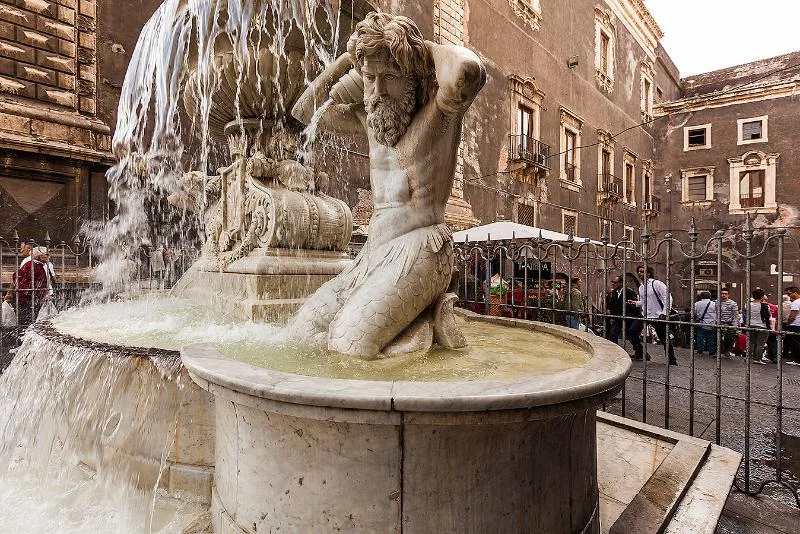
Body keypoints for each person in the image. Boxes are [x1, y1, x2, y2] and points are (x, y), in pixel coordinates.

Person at [288, 12, 485, 357]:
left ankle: (417, 326)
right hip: (373, 253)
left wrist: (417, 49)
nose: (377, 89)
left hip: (423, 248)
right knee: (301, 332)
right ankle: (417, 326)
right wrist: (346, 61)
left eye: (389, 77)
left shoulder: (440, 110)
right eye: (369, 77)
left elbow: (468, 71)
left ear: (410, 76)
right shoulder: (370, 117)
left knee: (350, 343)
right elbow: (304, 111)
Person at [629, 266, 677, 365]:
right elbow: (643, 302)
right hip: (645, 315)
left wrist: (664, 313)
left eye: (642, 271)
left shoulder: (657, 284)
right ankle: (642, 353)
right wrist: (635, 303)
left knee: (664, 338)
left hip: (658, 315)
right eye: (638, 272)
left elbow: (667, 298)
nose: (639, 273)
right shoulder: (641, 287)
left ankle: (672, 360)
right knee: (632, 332)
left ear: (648, 273)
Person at [4, 246, 49, 328]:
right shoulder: (37, 268)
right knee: (27, 324)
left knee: (23, 323)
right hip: (28, 302)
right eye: (48, 255)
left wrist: (9, 293)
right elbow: (41, 286)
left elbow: (15, 280)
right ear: (41, 257)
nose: (50, 257)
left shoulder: (29, 265)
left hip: (23, 299)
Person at [606, 274, 644, 359]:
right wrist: (612, 316)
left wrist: (631, 318)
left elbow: (635, 305)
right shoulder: (615, 293)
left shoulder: (629, 292)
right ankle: (616, 353)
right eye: (612, 282)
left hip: (629, 318)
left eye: (615, 282)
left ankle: (640, 352)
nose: (613, 284)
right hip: (619, 318)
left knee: (632, 335)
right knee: (612, 334)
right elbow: (612, 305)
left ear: (621, 283)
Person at [746, 288, 771, 365]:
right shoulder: (765, 306)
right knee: (760, 343)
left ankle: (748, 357)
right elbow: (769, 316)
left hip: (751, 325)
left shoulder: (748, 305)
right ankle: (757, 359)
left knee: (751, 342)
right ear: (762, 296)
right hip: (762, 326)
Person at [718, 288, 740, 357]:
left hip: (729, 323)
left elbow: (735, 315)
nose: (723, 295)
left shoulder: (733, 303)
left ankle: (727, 351)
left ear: (728, 295)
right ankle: (721, 351)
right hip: (720, 322)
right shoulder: (717, 302)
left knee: (729, 339)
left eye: (725, 294)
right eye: (722, 293)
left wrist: (734, 325)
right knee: (718, 338)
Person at [694, 291, 717, 355]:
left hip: (701, 323)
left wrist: (697, 318)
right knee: (711, 338)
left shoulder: (697, 304)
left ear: (701, 296)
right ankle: (711, 350)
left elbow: (694, 313)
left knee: (700, 337)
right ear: (710, 296)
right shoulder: (714, 304)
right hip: (712, 323)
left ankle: (700, 349)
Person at [784, 286, 800, 365]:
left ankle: (796, 359)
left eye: (789, 293)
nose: (788, 295)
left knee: (795, 343)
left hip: (795, 325)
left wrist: (788, 323)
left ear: (795, 293)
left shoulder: (796, 302)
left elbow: (792, 316)